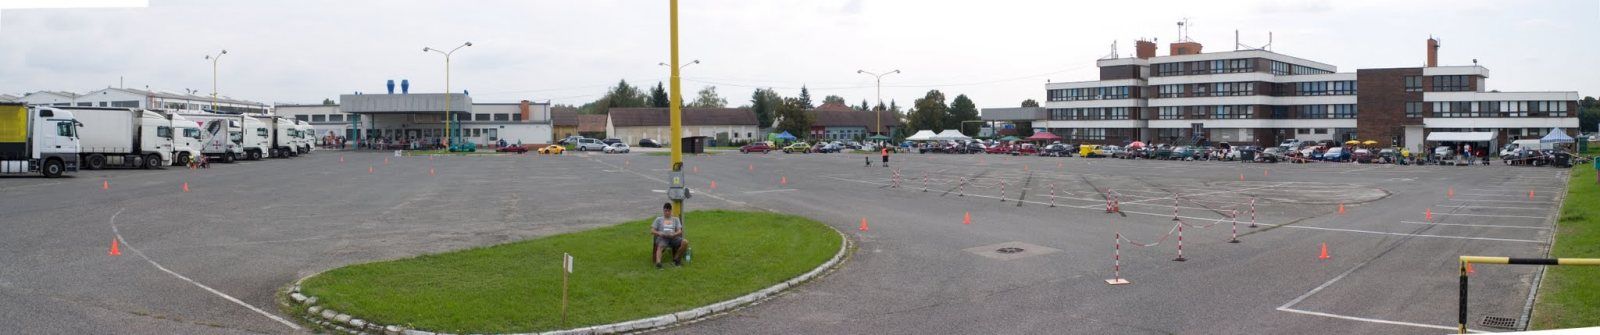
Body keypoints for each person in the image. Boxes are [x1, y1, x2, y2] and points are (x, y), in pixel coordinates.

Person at [652, 203, 688, 269]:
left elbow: (679, 231)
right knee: (660, 246)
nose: (667, 212)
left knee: (685, 242)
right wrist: (660, 233)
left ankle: (676, 259)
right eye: (665, 211)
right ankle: (658, 263)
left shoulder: (675, 219)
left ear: (671, 211)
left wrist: (674, 234)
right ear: (663, 211)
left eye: (669, 211)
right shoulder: (659, 219)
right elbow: (652, 231)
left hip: (673, 237)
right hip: (662, 237)